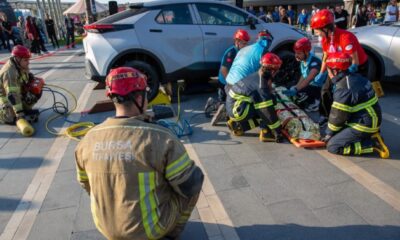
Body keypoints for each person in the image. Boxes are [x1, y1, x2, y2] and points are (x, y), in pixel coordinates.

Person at [75, 67, 204, 240]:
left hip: (105, 228)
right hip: (148, 231)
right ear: (139, 97)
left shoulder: (87, 139)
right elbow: (190, 185)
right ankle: (171, 232)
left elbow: (86, 184)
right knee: (193, 180)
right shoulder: (161, 138)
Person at [321, 52, 389, 159]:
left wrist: (329, 134)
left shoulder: (344, 89)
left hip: (364, 124)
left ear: (335, 70)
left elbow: (338, 117)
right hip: (369, 118)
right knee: (336, 133)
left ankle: (371, 144)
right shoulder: (355, 77)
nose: (327, 73)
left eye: (328, 69)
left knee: (333, 146)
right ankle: (367, 136)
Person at [310, 9, 369, 126]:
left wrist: (345, 77)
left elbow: (354, 61)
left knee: (351, 93)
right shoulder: (326, 39)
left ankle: (353, 119)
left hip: (356, 66)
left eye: (317, 31)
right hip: (338, 66)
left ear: (326, 28)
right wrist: (322, 73)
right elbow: (326, 56)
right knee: (325, 89)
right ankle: (325, 115)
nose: (316, 34)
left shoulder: (345, 37)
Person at [226, 53, 284, 143]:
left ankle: (239, 125)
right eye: (277, 70)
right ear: (272, 71)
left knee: (266, 102)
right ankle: (267, 133)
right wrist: (278, 130)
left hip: (233, 105)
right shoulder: (261, 85)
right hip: (238, 110)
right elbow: (267, 110)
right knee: (267, 107)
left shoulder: (258, 74)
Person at [207, 29, 250, 126]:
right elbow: (224, 70)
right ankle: (214, 104)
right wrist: (231, 84)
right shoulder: (231, 52)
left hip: (232, 80)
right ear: (237, 41)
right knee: (229, 102)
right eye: (244, 43)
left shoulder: (241, 51)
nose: (246, 45)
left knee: (228, 102)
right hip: (225, 81)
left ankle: (214, 102)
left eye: (246, 43)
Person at [0, 45, 42, 125]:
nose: (28, 62)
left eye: (28, 60)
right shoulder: (9, 73)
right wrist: (20, 114)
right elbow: (12, 95)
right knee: (13, 119)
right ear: (17, 59)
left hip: (18, 92)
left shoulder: (20, 65)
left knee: (36, 91)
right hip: (6, 98)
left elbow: (24, 76)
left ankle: (23, 108)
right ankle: (3, 114)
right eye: (26, 60)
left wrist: (30, 77)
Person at [282, 38, 323, 112]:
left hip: (319, 88)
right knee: (293, 88)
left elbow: (308, 78)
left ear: (306, 52)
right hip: (312, 85)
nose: (296, 55)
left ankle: (316, 102)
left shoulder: (315, 62)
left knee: (300, 93)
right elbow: (303, 76)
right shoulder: (304, 60)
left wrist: (297, 89)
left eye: (299, 53)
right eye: (295, 53)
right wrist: (296, 86)